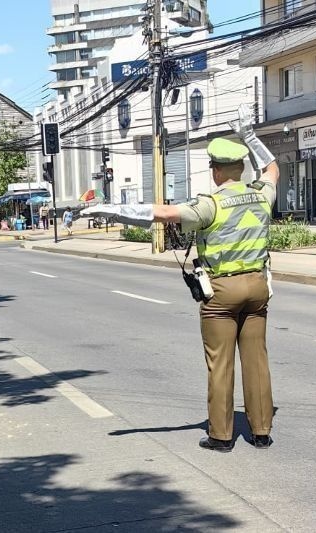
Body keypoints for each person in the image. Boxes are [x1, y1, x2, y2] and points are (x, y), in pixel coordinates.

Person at [81, 105, 279, 452]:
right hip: (258, 287)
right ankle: (261, 431)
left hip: (222, 292)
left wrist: (112, 209)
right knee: (257, 360)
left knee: (220, 364)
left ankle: (221, 436)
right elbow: (273, 168)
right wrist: (249, 134)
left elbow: (163, 213)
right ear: (241, 169)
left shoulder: (211, 204)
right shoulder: (262, 194)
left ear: (217, 171)